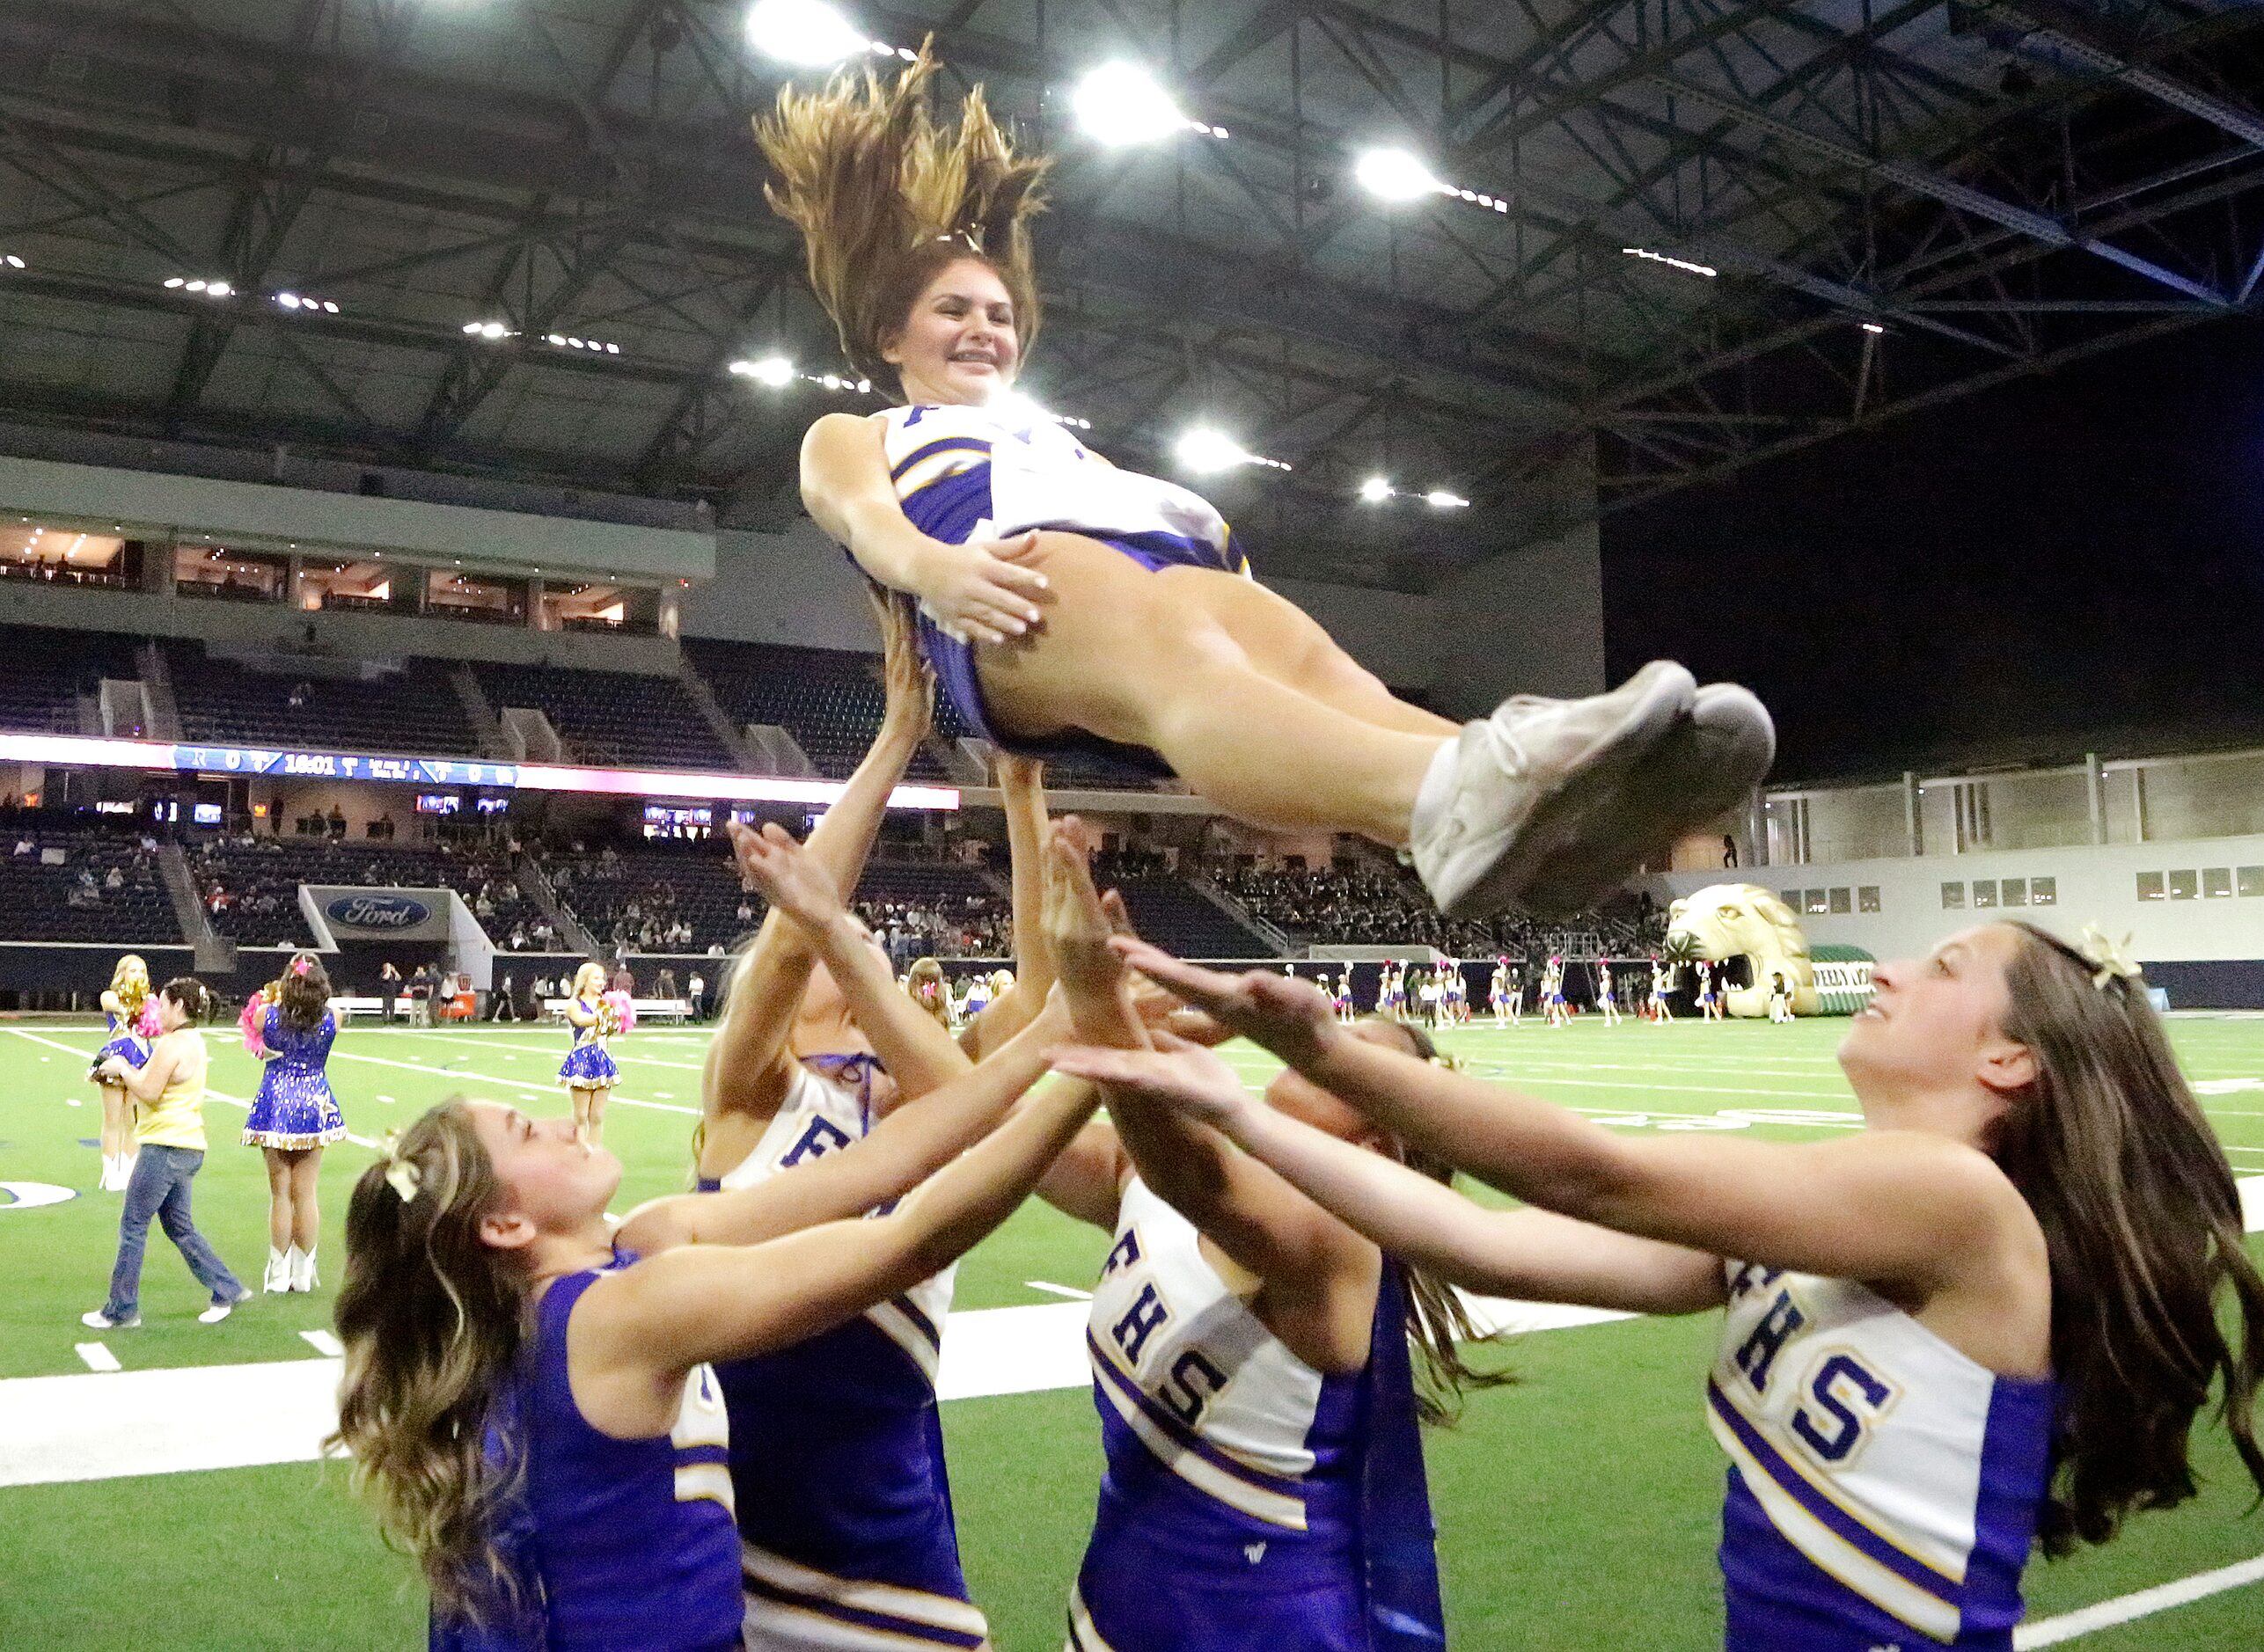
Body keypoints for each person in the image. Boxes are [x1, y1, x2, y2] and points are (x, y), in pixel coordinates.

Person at [761, 51, 1773, 922]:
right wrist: (936, 571)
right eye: (952, 310)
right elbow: (863, 517)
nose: (986, 328)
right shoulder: (861, 429)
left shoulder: (1055, 443)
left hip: (1135, 559)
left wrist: (1230, 574)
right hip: (994, 586)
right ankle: (1444, 802)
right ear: (890, 336)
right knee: (1179, 649)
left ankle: (1567, 816)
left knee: (1325, 672)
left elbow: (1145, 528)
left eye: (1000, 312)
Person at [1066, 925, 2264, 1652]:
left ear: (2007, 1058)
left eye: (1943, 966)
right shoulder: (1839, 1215)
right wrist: (1232, 1107)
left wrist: (1322, 1054)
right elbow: (1490, 1245)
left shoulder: (1951, 1199)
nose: (1890, 968)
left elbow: (1601, 1175)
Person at [328, 987, 1110, 1651]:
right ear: (505, 1228)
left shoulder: (634, 1247)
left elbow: (888, 1159)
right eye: (530, 1134)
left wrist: (1054, 1035)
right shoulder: (621, 1314)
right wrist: (1095, 1071)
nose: (565, 1125)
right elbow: (912, 1240)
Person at [1029, 835, 1500, 1650]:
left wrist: (1101, 1005)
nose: (1317, 1044)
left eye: (1347, 1056)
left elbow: (1195, 1175)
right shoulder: (1147, 1178)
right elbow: (981, 1124)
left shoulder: (1341, 1238)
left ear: (1377, 1143)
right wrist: (1019, 794)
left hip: (1260, 1627)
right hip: (1112, 1609)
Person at [82, 979, 251, 1329]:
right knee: (179, 1226)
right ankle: (227, 1286)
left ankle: (121, 1309)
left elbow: (149, 1090)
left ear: (178, 1006)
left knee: (133, 1225)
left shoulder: (173, 1044)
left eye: (162, 1003)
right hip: (187, 1145)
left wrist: (122, 1069)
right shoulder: (192, 1041)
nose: (156, 1011)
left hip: (166, 1146)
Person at [242, 953, 347, 1293]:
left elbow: (252, 1026)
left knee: (280, 1194)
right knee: (306, 1193)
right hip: (315, 1102)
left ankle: (277, 1274)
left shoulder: (265, 1015)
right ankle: (302, 1276)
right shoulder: (334, 1018)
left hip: (276, 1101)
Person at [89, 953, 155, 1190]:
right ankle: (110, 1172)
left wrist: (149, 1004)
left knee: (133, 1121)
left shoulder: (151, 1000)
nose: (138, 975)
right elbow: (112, 1005)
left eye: (142, 971)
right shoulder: (111, 995)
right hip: (116, 1058)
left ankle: (127, 1172)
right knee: (112, 1119)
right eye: (133, 970)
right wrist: (142, 1003)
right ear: (122, 973)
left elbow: (157, 1023)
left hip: (143, 1060)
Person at [560, 962, 619, 1147]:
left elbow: (609, 1031)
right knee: (580, 1116)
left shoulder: (606, 1004)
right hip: (581, 1061)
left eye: (602, 978)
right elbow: (580, 1019)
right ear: (584, 980)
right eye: (596, 978)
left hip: (602, 1060)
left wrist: (616, 1019)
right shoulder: (574, 1004)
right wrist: (606, 1015)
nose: (601, 982)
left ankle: (594, 1156)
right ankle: (578, 1154)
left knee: (597, 1116)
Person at [1597, 961, 1622, 1027]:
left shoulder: (1607, 981)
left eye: (1604, 975)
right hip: (1604, 995)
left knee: (1608, 1008)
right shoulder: (1604, 981)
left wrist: (1604, 996)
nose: (1603, 976)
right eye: (1602, 975)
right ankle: (1617, 1017)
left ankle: (1609, 1021)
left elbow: (1606, 989)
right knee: (1610, 1008)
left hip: (1607, 995)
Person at [379, 960, 402, 1024]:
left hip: (392, 993)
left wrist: (394, 971)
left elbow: (399, 978)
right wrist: (389, 970)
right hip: (386, 994)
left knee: (392, 1008)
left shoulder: (392, 974)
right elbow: (386, 978)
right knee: (385, 1007)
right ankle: (385, 1020)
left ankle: (392, 1020)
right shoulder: (382, 974)